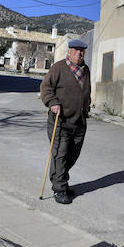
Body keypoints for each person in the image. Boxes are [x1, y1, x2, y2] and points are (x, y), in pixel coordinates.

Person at [40, 38, 91, 204]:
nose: (79, 53)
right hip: (60, 120)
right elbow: (46, 87)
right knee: (60, 155)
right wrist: (53, 102)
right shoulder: (59, 67)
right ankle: (59, 188)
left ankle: (61, 179)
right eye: (76, 50)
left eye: (82, 50)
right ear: (69, 51)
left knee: (72, 155)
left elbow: (85, 92)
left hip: (79, 121)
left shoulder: (85, 70)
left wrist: (87, 107)